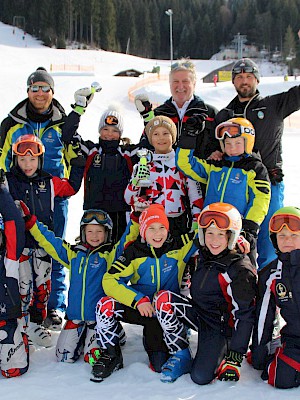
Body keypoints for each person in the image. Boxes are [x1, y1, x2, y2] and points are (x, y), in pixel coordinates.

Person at [17, 204, 139, 373]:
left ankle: (115, 330)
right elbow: (50, 241)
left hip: (97, 320)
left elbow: (127, 239)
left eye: (99, 231)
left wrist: (136, 217)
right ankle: (81, 335)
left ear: (107, 233)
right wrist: (31, 222)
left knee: (92, 357)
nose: (94, 236)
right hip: (75, 318)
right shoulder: (74, 254)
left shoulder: (110, 255)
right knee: (63, 357)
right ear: (83, 232)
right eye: (90, 231)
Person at [92, 204, 199, 382]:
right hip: (143, 308)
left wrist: (239, 238)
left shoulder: (179, 245)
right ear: (143, 231)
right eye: (151, 228)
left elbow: (207, 235)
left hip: (164, 312)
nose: (157, 234)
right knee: (105, 306)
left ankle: (177, 346)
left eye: (162, 227)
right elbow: (109, 280)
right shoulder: (133, 252)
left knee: (158, 365)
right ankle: (111, 354)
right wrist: (138, 300)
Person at [153, 202, 257, 384]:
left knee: (200, 377)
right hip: (200, 314)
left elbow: (245, 315)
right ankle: (181, 353)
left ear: (231, 237)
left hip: (221, 328)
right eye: (209, 233)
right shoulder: (204, 253)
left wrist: (236, 355)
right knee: (163, 299)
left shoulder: (239, 269)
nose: (214, 240)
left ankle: (224, 350)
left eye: (220, 235)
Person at [0, 67, 71, 328]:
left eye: (45, 88)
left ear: (52, 92)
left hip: (52, 196)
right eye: (35, 88)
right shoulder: (11, 123)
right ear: (28, 91)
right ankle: (24, 304)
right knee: (20, 251)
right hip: (18, 194)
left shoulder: (63, 123)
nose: (40, 93)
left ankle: (54, 306)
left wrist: (66, 183)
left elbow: (74, 156)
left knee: (55, 250)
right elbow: (1, 157)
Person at [214, 58, 300, 270]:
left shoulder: (273, 104)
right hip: (236, 188)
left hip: (269, 183)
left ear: (257, 80)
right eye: (240, 77)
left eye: (249, 77)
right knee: (236, 240)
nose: (244, 81)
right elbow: (211, 147)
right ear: (234, 82)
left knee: (269, 241)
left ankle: (271, 287)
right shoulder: (225, 114)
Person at [3, 134, 83, 348]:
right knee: (23, 286)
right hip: (18, 246)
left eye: (32, 159)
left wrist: (77, 162)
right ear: (15, 159)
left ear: (40, 159)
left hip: (42, 245)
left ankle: (37, 322)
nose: (27, 164)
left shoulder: (49, 181)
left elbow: (72, 188)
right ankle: (22, 325)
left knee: (42, 287)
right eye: (22, 159)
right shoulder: (8, 181)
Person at [176, 117, 271, 266]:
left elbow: (260, 200)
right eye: (227, 144)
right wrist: (189, 137)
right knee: (207, 271)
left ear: (248, 143)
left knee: (241, 271)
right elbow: (185, 164)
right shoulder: (216, 165)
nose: (232, 148)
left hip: (238, 232)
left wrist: (248, 228)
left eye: (238, 143)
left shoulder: (255, 169)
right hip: (211, 229)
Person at [62, 98, 140, 244]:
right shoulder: (91, 150)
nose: (109, 134)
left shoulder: (127, 153)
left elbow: (150, 142)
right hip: (94, 213)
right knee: (95, 254)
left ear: (120, 133)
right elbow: (67, 134)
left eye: (114, 131)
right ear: (99, 130)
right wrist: (79, 108)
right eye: (105, 129)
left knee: (120, 251)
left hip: (121, 213)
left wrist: (147, 114)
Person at [124, 116, 203, 236]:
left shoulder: (182, 163)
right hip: (152, 222)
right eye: (156, 134)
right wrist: (136, 182)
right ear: (150, 139)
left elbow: (195, 195)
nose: (161, 138)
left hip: (178, 222)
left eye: (166, 133)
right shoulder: (144, 164)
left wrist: (196, 221)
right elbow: (128, 199)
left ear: (173, 137)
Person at [251, 206, 300, 389]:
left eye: (294, 235)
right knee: (279, 378)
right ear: (274, 240)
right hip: (294, 340)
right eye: (282, 236)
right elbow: (263, 316)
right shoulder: (270, 274)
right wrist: (259, 353)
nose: (287, 240)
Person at [134, 58, 219, 159]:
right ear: (170, 84)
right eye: (176, 81)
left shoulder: (209, 113)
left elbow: (222, 146)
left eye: (185, 81)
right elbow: (144, 147)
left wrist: (217, 153)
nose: (180, 86)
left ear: (194, 84)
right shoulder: (159, 114)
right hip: (166, 173)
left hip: (199, 173)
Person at [0, 178, 28, 378]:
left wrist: (2, 192)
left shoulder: (9, 257)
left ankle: (22, 340)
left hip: (5, 320)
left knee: (13, 370)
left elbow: (14, 223)